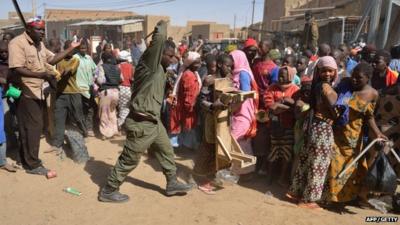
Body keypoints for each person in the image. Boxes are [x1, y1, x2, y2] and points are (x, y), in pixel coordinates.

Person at [98, 21, 192, 203]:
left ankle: (171, 182)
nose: (173, 60)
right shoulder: (149, 64)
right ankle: (109, 189)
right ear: (158, 54)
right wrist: (162, 24)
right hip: (141, 123)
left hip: (154, 122)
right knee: (129, 159)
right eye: (169, 56)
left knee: (166, 151)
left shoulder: (161, 69)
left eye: (174, 56)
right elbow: (159, 38)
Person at [8, 17, 81, 175]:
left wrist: (71, 48)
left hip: (38, 91)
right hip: (26, 91)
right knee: (33, 128)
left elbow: (52, 59)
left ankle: (26, 159)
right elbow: (17, 69)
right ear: (28, 29)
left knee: (30, 128)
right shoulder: (17, 43)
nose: (42, 32)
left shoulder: (39, 44)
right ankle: (33, 165)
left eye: (43, 29)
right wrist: (43, 75)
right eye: (39, 29)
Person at [324, 62, 387, 205]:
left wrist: (377, 133)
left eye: (359, 78)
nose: (354, 80)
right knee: (333, 166)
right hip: (336, 133)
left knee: (348, 168)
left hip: (353, 138)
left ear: (368, 78)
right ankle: (329, 198)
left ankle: (343, 199)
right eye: (353, 76)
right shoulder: (345, 85)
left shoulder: (373, 94)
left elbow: (369, 116)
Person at [288, 56, 338, 210]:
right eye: (324, 71)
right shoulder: (325, 87)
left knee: (306, 161)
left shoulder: (316, 85)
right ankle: (308, 199)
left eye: (330, 71)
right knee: (318, 164)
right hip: (322, 128)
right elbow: (333, 104)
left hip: (313, 127)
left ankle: (296, 192)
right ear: (318, 71)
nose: (328, 74)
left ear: (335, 71)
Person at [193, 54, 233, 194]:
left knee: (219, 149)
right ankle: (203, 180)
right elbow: (201, 100)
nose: (230, 69)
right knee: (208, 147)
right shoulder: (209, 80)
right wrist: (212, 106)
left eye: (231, 66)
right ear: (221, 64)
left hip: (223, 119)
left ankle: (212, 176)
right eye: (228, 66)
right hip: (210, 118)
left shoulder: (228, 80)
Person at [50, 40, 87, 155]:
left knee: (77, 117)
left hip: (73, 93)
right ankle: (57, 143)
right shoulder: (58, 60)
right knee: (59, 118)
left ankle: (83, 133)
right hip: (60, 94)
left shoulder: (75, 60)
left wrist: (60, 73)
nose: (71, 51)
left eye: (73, 49)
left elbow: (68, 71)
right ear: (65, 49)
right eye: (68, 49)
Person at [264, 66, 300, 186]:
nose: (279, 78)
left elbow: (296, 107)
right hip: (274, 127)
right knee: (273, 152)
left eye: (283, 75)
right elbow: (271, 107)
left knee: (287, 154)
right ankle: (269, 177)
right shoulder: (272, 88)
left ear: (290, 76)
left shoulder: (295, 89)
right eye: (279, 75)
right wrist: (285, 102)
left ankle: (282, 178)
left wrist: (279, 105)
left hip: (289, 127)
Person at [169, 51, 202, 150]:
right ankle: (184, 147)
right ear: (190, 63)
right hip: (187, 107)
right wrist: (191, 107)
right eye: (197, 63)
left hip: (185, 106)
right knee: (187, 127)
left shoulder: (192, 73)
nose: (199, 65)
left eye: (200, 62)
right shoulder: (189, 75)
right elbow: (189, 94)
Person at [229, 50, 258, 156]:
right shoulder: (235, 73)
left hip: (243, 111)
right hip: (237, 110)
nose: (230, 63)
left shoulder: (243, 73)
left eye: (232, 60)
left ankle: (241, 169)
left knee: (237, 139)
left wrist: (234, 104)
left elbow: (245, 94)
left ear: (238, 60)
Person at [96, 52, 121, 139]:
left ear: (103, 59)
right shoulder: (117, 67)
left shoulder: (102, 67)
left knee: (104, 113)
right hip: (116, 92)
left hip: (106, 92)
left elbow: (100, 80)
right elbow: (121, 79)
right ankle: (114, 131)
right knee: (112, 111)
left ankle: (105, 133)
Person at [75, 41, 97, 137]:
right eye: (81, 48)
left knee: (90, 109)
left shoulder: (89, 58)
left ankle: (89, 128)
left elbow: (95, 69)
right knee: (81, 110)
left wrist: (94, 80)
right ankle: (83, 129)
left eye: (85, 48)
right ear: (78, 49)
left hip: (89, 88)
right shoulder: (75, 58)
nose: (83, 50)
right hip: (79, 88)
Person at [117, 51, 134, 132]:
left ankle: (120, 124)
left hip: (119, 88)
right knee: (126, 108)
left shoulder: (118, 66)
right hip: (128, 89)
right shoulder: (131, 66)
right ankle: (120, 124)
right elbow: (132, 78)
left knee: (121, 107)